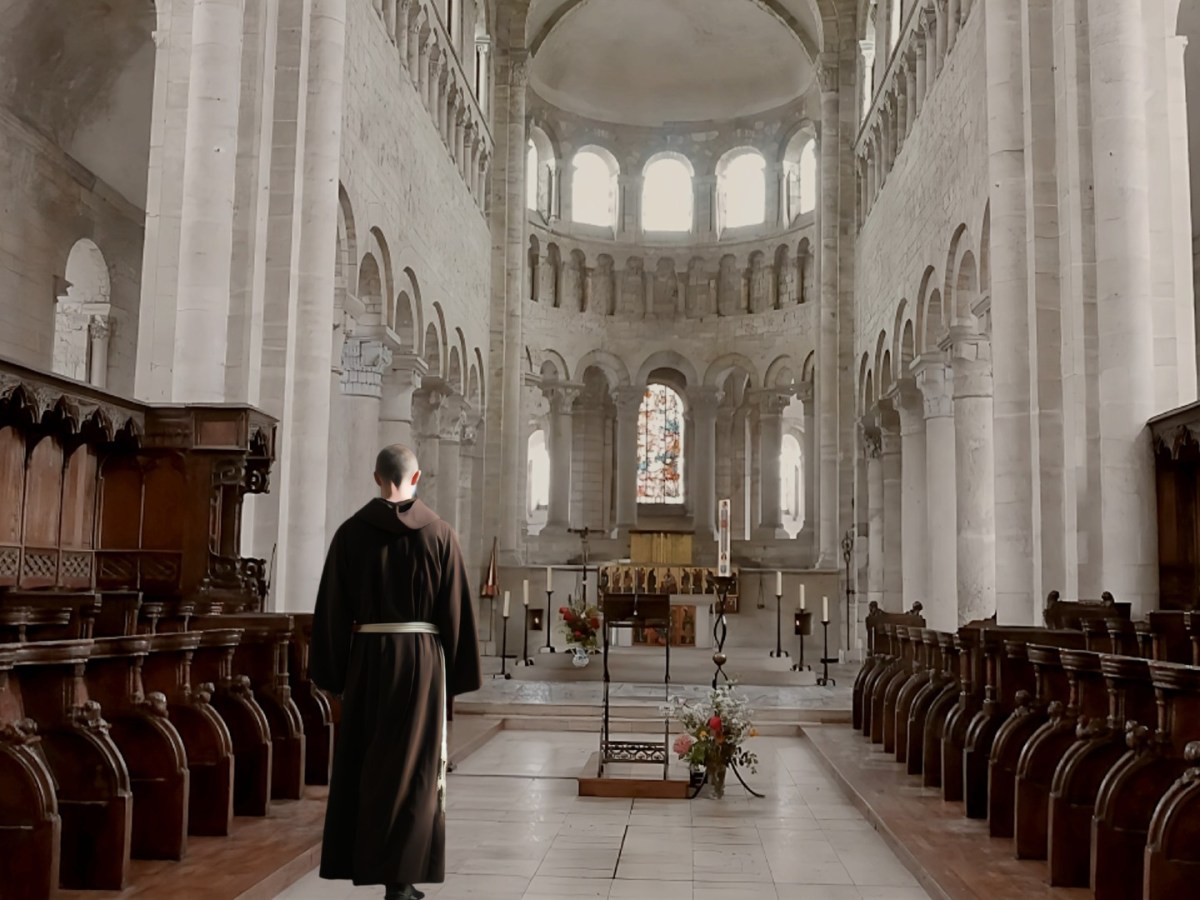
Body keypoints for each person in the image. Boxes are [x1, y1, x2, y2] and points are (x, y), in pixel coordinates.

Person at [310, 444, 482, 900]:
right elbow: (455, 611)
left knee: (371, 766)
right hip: (422, 662)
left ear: (376, 477)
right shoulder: (440, 533)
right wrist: (457, 674)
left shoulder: (350, 533)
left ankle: (377, 866)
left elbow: (332, 609)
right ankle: (402, 879)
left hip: (368, 660)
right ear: (417, 477)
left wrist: (333, 673)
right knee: (416, 769)